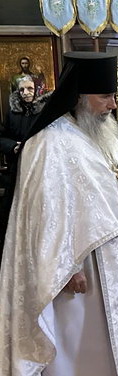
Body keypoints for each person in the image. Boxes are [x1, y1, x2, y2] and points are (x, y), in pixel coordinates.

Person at [0, 52, 118, 376]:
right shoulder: (48, 142)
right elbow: (44, 216)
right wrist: (68, 267)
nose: (112, 105)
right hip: (75, 263)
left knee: (113, 330)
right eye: (105, 97)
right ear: (79, 97)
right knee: (80, 335)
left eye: (113, 96)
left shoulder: (102, 132)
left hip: (113, 253)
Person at [0, 76, 48, 259]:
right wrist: (14, 146)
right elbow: (2, 137)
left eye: (29, 88)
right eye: (21, 90)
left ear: (37, 89)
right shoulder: (13, 113)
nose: (26, 93)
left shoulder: (44, 111)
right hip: (19, 168)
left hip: (41, 166)